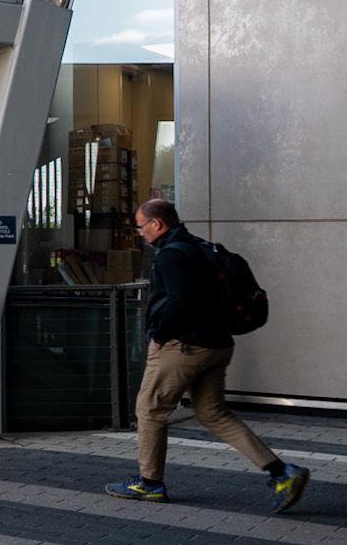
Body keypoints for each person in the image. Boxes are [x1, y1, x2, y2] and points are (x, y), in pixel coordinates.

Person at [106, 199, 309, 512]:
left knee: (150, 409)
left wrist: (160, 334)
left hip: (183, 348)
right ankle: (282, 473)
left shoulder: (171, 255)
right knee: (214, 414)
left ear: (157, 224)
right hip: (218, 345)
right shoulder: (202, 247)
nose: (140, 233)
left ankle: (149, 483)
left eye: (141, 226)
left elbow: (180, 302)